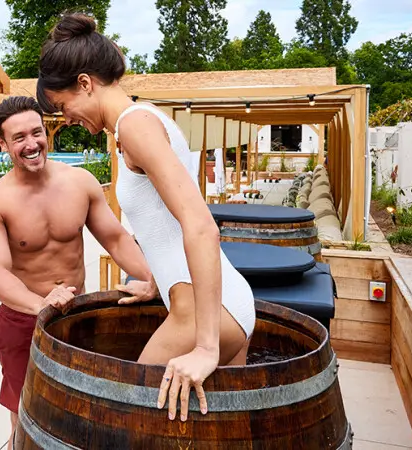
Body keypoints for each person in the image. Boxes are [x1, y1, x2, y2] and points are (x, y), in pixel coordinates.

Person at [35, 13, 256, 422]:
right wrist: (158, 279)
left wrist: (206, 347)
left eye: (63, 106)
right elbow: (163, 221)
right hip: (223, 303)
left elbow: (200, 225)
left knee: (123, 420)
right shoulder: (144, 119)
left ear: (85, 83)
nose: (66, 119)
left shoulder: (135, 127)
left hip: (202, 317)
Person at [0, 95, 158, 447]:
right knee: (25, 414)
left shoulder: (80, 182)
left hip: (75, 315)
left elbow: (116, 239)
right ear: (2, 143)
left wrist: (154, 278)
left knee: (79, 411)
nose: (31, 144)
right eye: (19, 138)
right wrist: (39, 304)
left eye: (36, 132)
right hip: (24, 321)